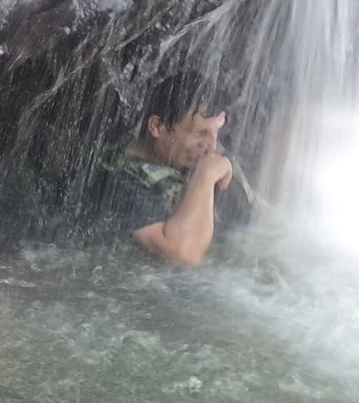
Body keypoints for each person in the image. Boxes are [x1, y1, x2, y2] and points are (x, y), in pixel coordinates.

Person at [97, 71, 254, 265]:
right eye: (200, 133)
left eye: (215, 133)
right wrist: (205, 176)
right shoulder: (118, 182)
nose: (211, 146)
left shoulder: (195, 158)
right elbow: (184, 254)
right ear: (157, 127)